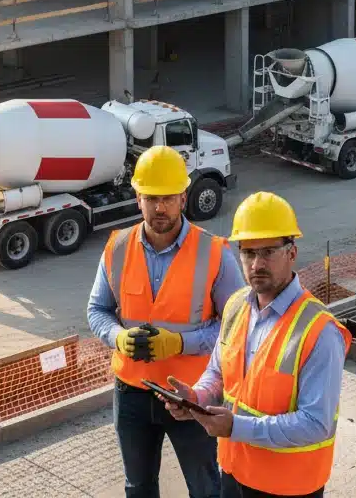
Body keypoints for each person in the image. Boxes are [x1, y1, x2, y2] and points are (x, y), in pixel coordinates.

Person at [164, 192, 351, 498]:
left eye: (267, 252)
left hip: (289, 487)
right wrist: (195, 397)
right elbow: (218, 372)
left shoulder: (319, 331)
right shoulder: (237, 306)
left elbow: (316, 423)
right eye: (248, 253)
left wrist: (236, 428)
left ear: (292, 253)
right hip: (235, 474)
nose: (256, 264)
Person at [87, 146, 244, 498]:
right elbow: (97, 310)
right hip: (131, 394)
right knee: (138, 487)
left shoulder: (214, 252)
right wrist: (118, 337)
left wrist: (180, 343)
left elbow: (238, 326)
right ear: (137, 197)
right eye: (152, 198)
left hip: (191, 396)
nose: (160, 208)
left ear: (184, 197)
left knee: (206, 488)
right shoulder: (117, 247)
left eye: (169, 198)